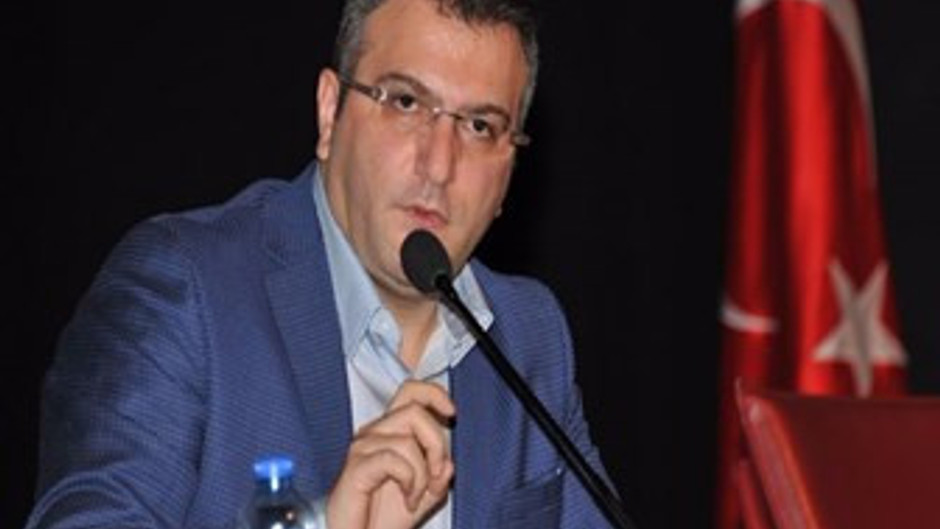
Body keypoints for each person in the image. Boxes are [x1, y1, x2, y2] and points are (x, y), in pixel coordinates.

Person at [27, 0, 616, 527]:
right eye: (406, 102)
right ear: (331, 112)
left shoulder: (529, 336)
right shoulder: (186, 288)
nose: (439, 165)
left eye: (480, 126)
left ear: (510, 169)